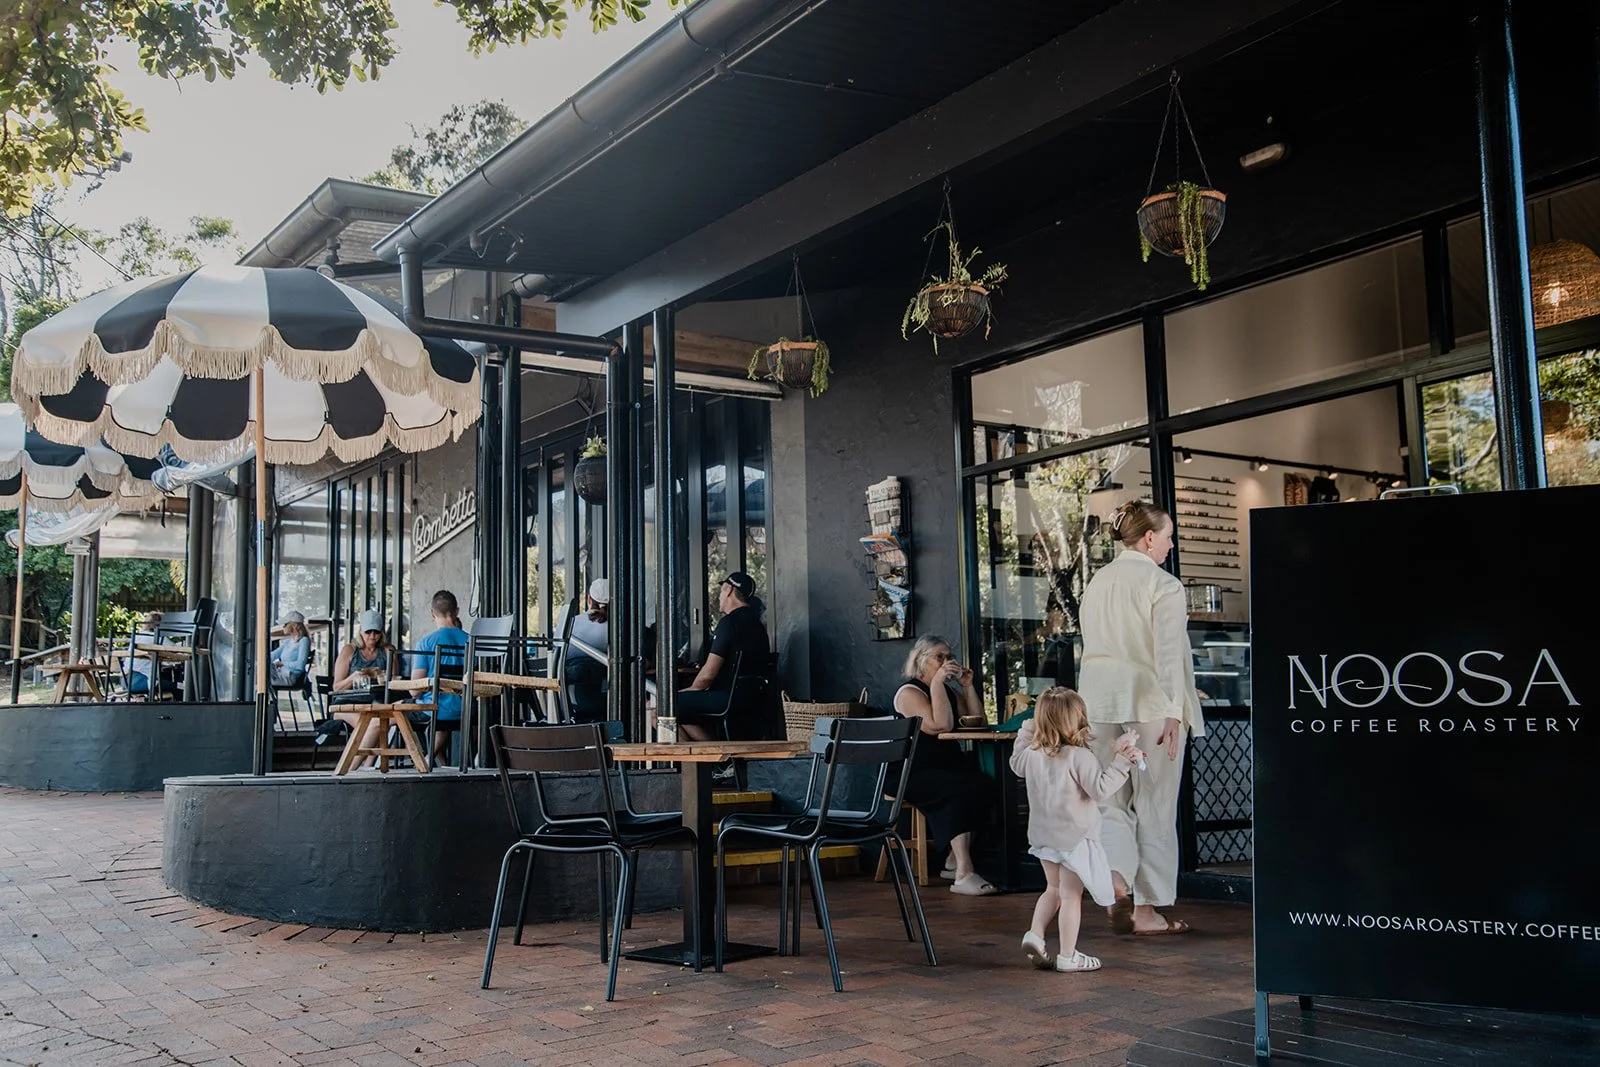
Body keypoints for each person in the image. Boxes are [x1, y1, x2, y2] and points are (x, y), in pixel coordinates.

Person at [1077, 500, 1205, 936]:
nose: (1170, 544)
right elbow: (1168, 656)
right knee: (1154, 802)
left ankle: (1115, 877)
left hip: (1098, 702)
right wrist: (1174, 710)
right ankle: (1147, 909)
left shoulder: (1097, 582)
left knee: (1109, 799)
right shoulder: (1163, 584)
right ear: (1149, 538)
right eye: (1168, 536)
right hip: (1150, 704)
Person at [1010, 687, 1145, 973]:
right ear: (1079, 719)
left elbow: (1016, 763)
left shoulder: (1033, 755)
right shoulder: (1079, 757)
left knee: (1052, 889)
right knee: (1071, 896)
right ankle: (1068, 956)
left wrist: (1026, 729)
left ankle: (1035, 934)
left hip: (1043, 837)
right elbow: (1101, 789)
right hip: (1075, 839)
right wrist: (1122, 762)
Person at [891, 635, 998, 896]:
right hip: (911, 772)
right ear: (921, 660)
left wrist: (968, 686)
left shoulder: (947, 691)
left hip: (944, 766)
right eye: (940, 656)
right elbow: (940, 725)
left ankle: (952, 858)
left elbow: (977, 722)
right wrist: (938, 681)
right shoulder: (908, 693)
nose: (947, 661)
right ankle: (964, 872)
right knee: (958, 789)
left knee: (985, 785)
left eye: (949, 656)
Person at [677, 572, 771, 741]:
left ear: (728, 590)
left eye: (721, 591)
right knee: (684, 710)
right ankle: (720, 760)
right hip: (753, 699)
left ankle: (719, 761)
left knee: (665, 709)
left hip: (727, 699)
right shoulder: (758, 626)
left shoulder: (729, 623)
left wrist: (687, 692)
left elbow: (707, 676)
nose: (720, 596)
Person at [410, 590, 470, 759]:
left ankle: (363, 767)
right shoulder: (471, 641)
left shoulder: (426, 643)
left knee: (386, 716)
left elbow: (415, 690)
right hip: (466, 710)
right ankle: (436, 763)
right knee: (439, 726)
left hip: (433, 710)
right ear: (457, 611)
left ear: (432, 614)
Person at [562, 578, 610, 724]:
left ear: (589, 599)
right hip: (606, 702)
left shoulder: (570, 623)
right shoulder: (617, 627)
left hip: (569, 702)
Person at [127, 610, 164, 699]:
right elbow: (174, 648)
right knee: (178, 687)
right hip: (141, 680)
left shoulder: (137, 636)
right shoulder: (157, 637)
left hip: (126, 680)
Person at [270, 611, 311, 688]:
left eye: (285, 624)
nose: (283, 627)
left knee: (261, 678)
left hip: (291, 676)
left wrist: (283, 663)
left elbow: (300, 665)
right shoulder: (287, 642)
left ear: (294, 625)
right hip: (281, 673)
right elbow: (272, 655)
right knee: (259, 671)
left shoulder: (304, 641)